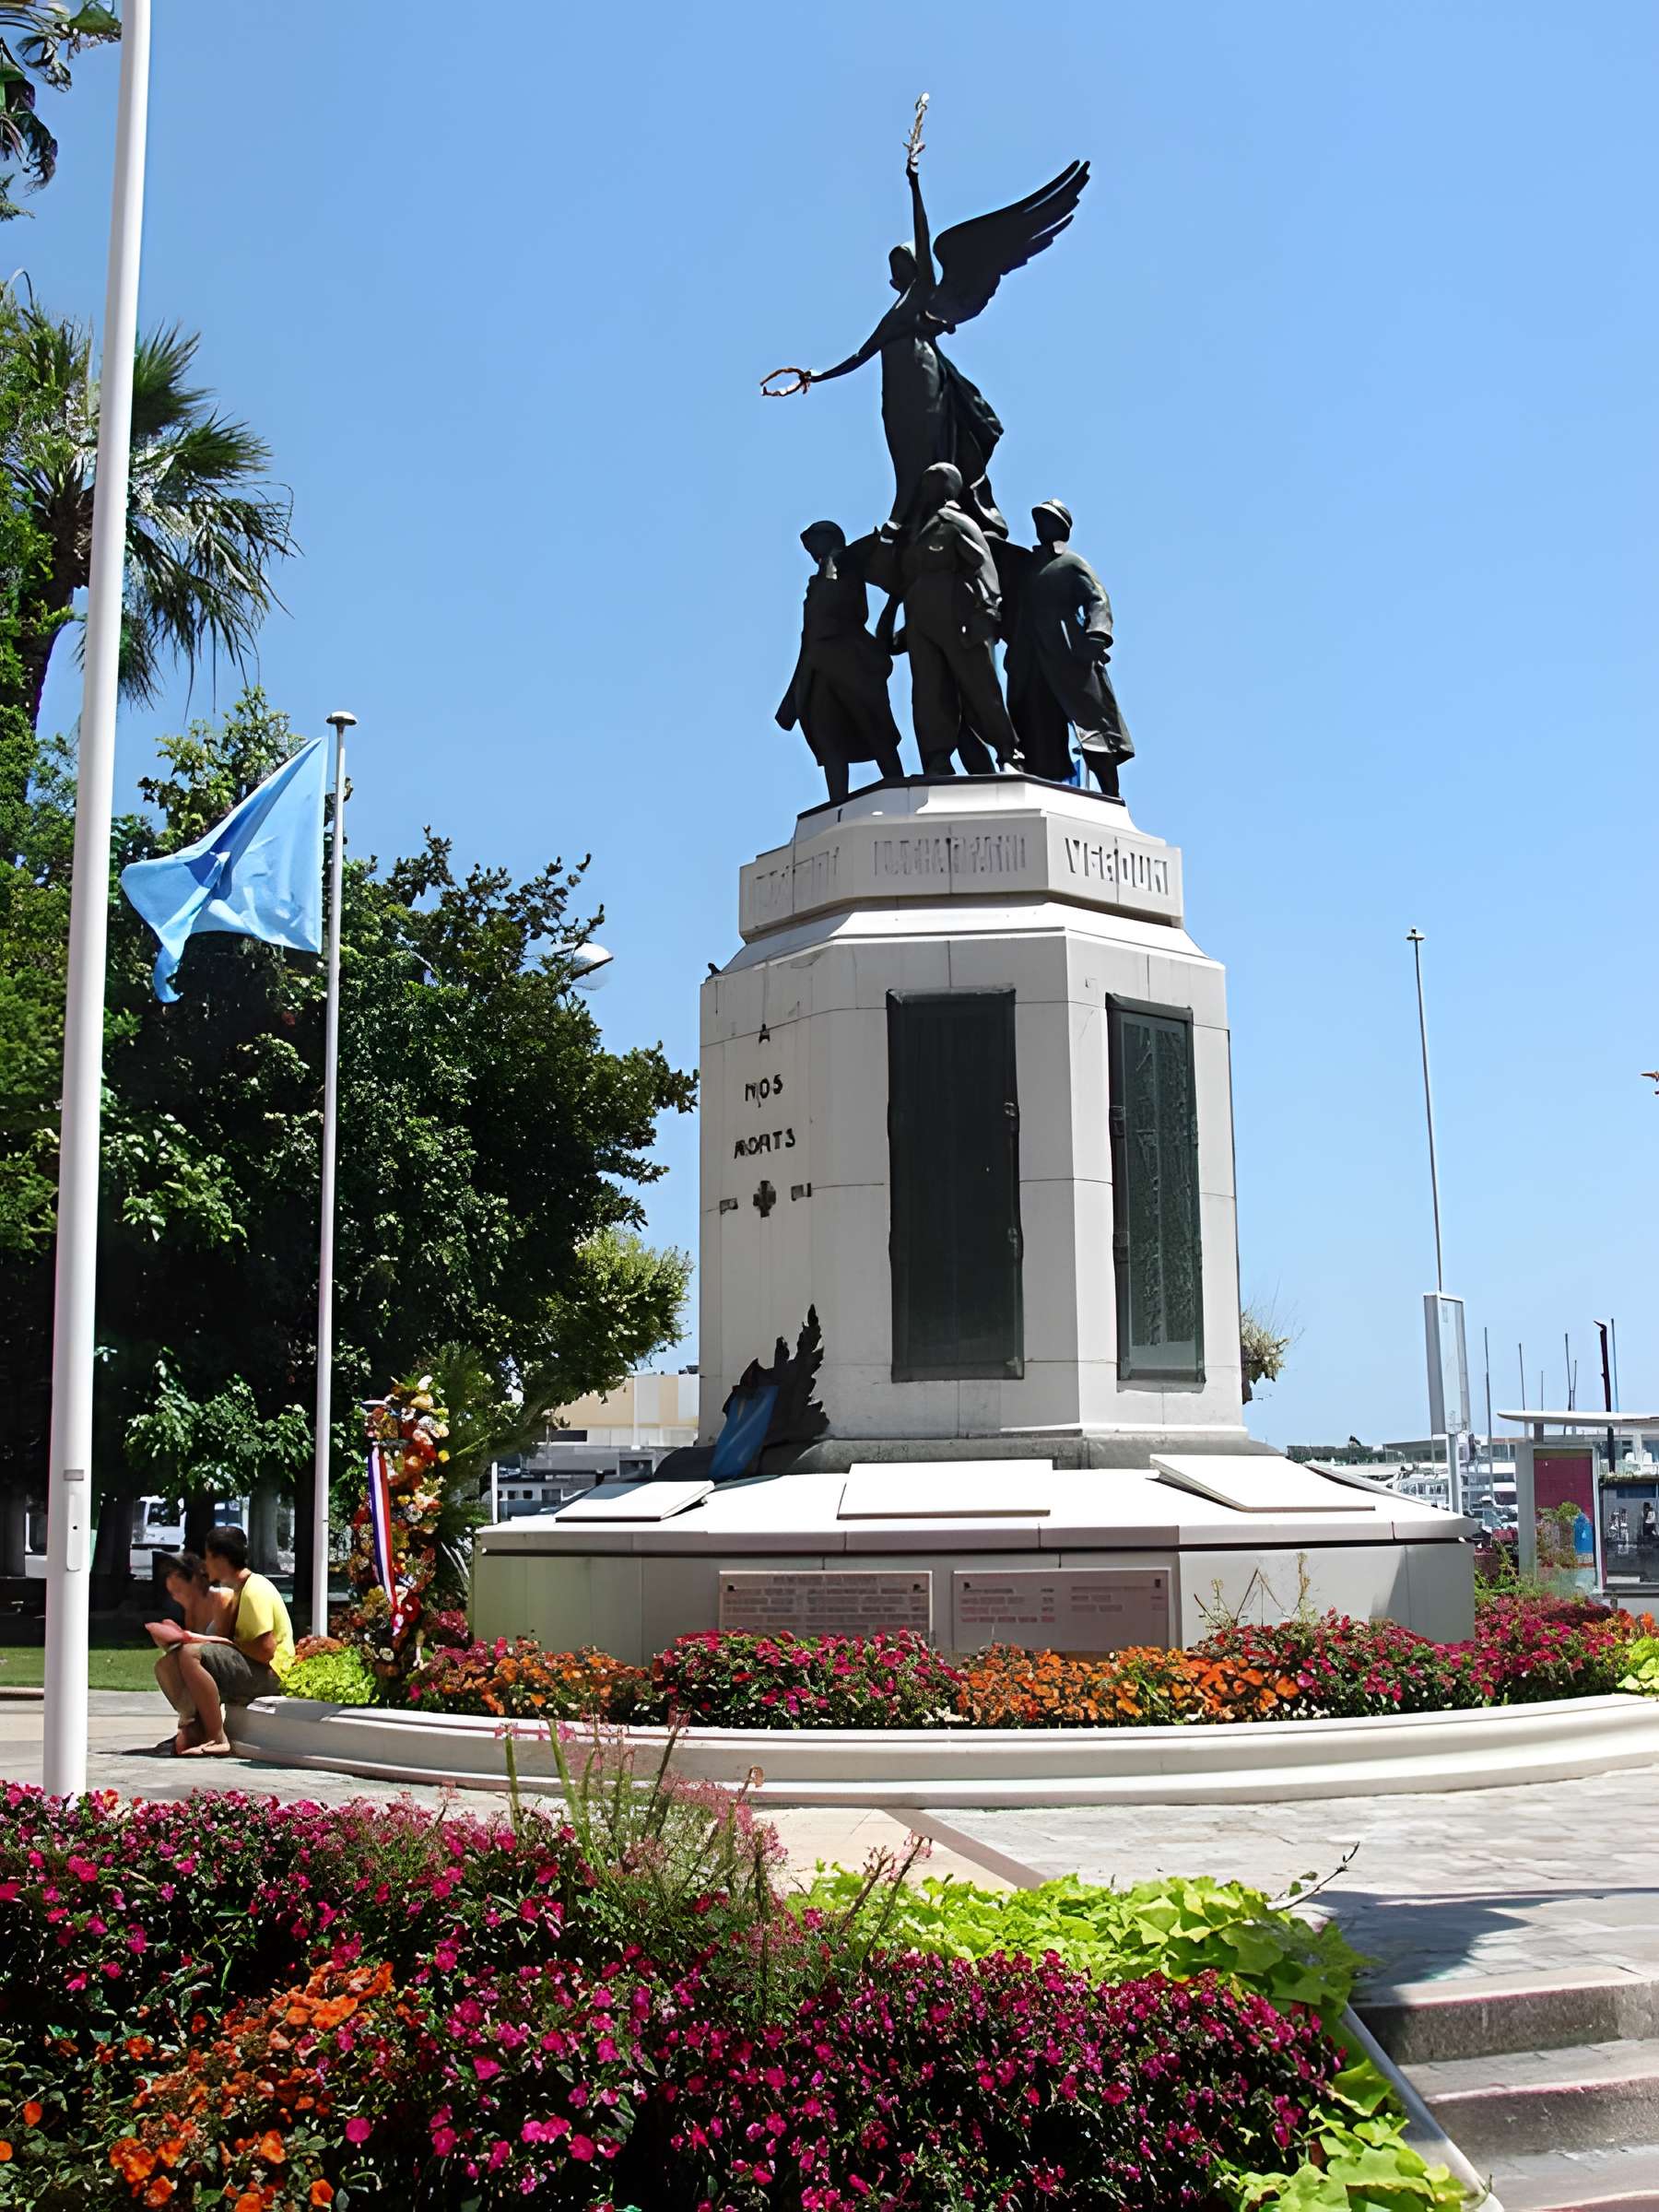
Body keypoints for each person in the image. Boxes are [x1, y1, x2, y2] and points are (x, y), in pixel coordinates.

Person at [865, 462, 1022, 776]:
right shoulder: (915, 532)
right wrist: (887, 538)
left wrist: (987, 613)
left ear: (948, 486)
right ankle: (937, 758)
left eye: (933, 482)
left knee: (980, 686)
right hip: (921, 621)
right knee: (929, 691)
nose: (925, 489)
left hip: (958, 614)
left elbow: (983, 568)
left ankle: (1008, 751)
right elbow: (890, 576)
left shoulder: (957, 522)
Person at [1005, 499, 1135, 794]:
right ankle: (1040, 788)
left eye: (1049, 521)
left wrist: (1097, 635)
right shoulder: (1027, 567)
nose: (1042, 527)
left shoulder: (1071, 563)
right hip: (1031, 659)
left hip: (1069, 654)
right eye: (1038, 521)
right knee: (1035, 725)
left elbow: (1097, 599)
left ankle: (1111, 795)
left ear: (1062, 528)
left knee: (1091, 725)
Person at [776, 521, 906, 801]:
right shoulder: (815, 584)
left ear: (831, 539)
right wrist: (792, 698)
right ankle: (837, 804)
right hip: (817, 666)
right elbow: (807, 636)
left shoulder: (849, 568)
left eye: (814, 543)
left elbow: (857, 609)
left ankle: (899, 787)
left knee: (875, 727)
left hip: (852, 661)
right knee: (828, 736)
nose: (811, 551)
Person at [152, 1525, 294, 1758]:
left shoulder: (254, 1590)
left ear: (220, 1558)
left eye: (208, 1557)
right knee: (168, 1664)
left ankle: (216, 1737)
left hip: (272, 1675)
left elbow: (266, 1650)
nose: (205, 1565)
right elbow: (229, 1643)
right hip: (255, 1669)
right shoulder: (237, 1591)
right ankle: (195, 1728)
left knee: (191, 1654)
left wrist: (217, 1643)